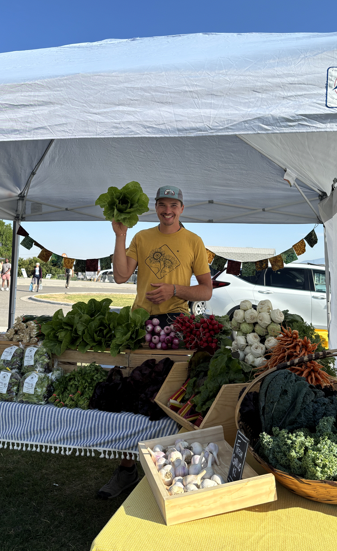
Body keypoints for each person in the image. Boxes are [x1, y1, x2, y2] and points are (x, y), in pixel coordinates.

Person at [96, 185, 212, 500]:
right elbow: (121, 276)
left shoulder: (193, 242)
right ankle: (125, 471)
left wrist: (175, 290)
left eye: (174, 204)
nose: (168, 210)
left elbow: (206, 290)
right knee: (132, 399)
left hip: (175, 329)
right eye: (162, 204)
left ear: (182, 208)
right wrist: (120, 235)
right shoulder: (142, 237)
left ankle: (171, 470)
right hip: (139, 326)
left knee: (169, 402)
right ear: (156, 208)